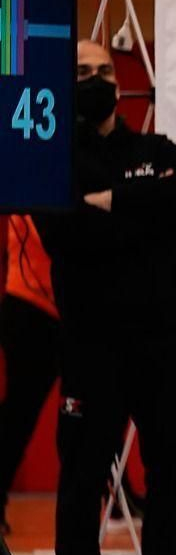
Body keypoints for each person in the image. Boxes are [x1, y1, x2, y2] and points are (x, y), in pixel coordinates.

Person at [35, 39, 176, 555]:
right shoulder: (52, 159)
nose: (97, 80)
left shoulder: (153, 147)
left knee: (172, 467)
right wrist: (145, 211)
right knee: (83, 470)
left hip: (168, 340)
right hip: (93, 343)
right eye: (83, 72)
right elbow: (62, 230)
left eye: (104, 71)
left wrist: (113, 202)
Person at [0, 214, 62, 535]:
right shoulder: (33, 176)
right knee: (18, 419)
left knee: (103, 405)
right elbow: (51, 236)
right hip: (31, 305)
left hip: (67, 309)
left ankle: (119, 495)